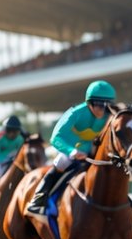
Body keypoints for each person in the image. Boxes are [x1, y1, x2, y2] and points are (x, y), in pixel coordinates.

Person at [26, 80, 116, 215]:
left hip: (93, 150)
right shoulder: (75, 113)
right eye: (99, 104)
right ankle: (38, 199)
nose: (102, 110)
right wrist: (72, 151)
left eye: (106, 105)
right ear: (89, 103)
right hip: (71, 149)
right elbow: (55, 138)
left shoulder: (110, 115)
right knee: (61, 163)